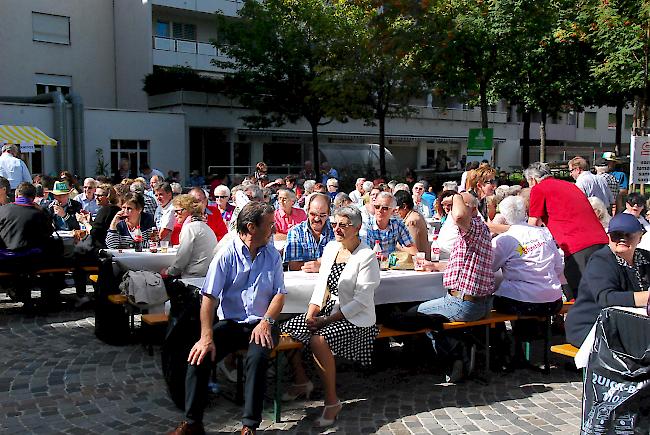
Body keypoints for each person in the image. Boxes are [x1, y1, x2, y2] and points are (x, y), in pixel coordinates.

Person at [169, 203, 285, 435]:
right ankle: (193, 423)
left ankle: (249, 426)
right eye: (270, 225)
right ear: (251, 227)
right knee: (198, 357)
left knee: (257, 358)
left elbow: (279, 294)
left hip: (264, 323)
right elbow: (209, 297)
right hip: (232, 323)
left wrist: (266, 322)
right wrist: (206, 336)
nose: (274, 229)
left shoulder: (271, 253)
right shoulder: (226, 254)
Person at [280, 206, 380, 427]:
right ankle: (301, 381)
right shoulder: (331, 247)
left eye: (343, 225)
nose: (336, 229)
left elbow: (361, 301)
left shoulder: (367, 256)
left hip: (355, 318)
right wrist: (311, 312)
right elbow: (322, 286)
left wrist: (325, 321)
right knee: (286, 330)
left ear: (357, 228)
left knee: (319, 339)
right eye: (334, 224)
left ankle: (332, 401)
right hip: (328, 312)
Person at [491, 196, 564, 358]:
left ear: (503, 216)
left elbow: (491, 267)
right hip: (553, 300)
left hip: (522, 302)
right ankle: (522, 346)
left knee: (487, 304)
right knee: (518, 293)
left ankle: (502, 349)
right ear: (525, 212)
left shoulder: (504, 240)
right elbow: (558, 266)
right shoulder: (544, 233)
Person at [565, 213, 650, 347]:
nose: (622, 239)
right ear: (609, 237)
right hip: (592, 325)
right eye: (616, 235)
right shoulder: (601, 260)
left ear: (639, 237)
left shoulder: (646, 258)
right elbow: (606, 298)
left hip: (630, 323)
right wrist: (647, 298)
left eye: (628, 235)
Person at [525, 162, 608, 299]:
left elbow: (533, 225)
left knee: (579, 295)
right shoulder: (570, 185)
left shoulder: (538, 189)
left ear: (533, 180)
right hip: (601, 242)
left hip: (578, 247)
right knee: (601, 290)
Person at [162, 194, 217, 279]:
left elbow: (181, 259)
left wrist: (168, 272)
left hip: (193, 277)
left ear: (189, 210)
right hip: (206, 276)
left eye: (178, 211)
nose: (175, 215)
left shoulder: (190, 228)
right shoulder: (203, 226)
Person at [0, 182, 53, 269]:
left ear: (16, 194)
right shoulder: (40, 213)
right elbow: (48, 232)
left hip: (5, 260)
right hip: (32, 261)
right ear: (33, 197)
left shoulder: (2, 210)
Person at [284, 193, 334, 272]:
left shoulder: (336, 232)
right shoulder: (296, 232)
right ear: (307, 211)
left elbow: (345, 261)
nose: (317, 219)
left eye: (322, 215)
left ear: (328, 214)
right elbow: (294, 266)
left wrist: (321, 266)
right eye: (313, 214)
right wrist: (321, 264)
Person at [364, 192, 418, 257]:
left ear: (393, 211)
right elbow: (364, 253)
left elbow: (414, 251)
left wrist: (400, 248)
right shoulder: (367, 226)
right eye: (377, 207)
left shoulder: (398, 225)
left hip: (392, 265)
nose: (380, 210)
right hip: (372, 264)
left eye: (384, 208)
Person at [394, 190, 431, 259]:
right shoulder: (416, 215)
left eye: (396, 209)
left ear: (404, 206)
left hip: (419, 263)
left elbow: (413, 249)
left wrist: (396, 244)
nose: (395, 212)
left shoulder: (411, 221)